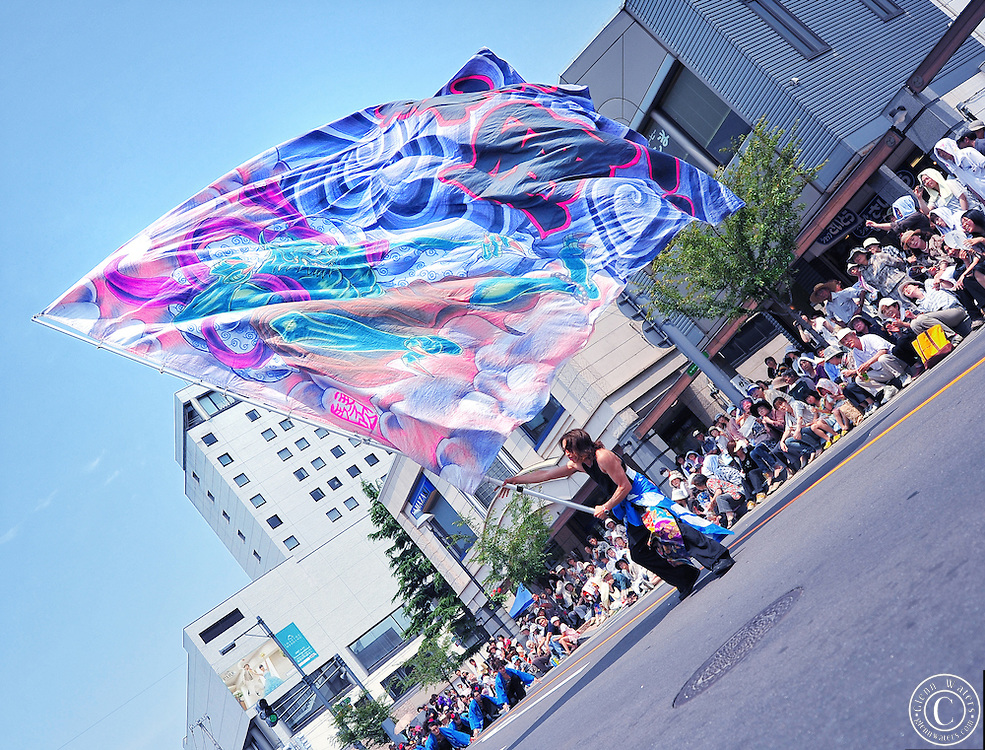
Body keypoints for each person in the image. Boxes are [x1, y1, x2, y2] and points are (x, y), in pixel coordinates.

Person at [500, 428, 735, 600]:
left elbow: (625, 486)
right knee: (639, 552)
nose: (567, 455)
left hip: (641, 496)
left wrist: (605, 507)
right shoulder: (580, 464)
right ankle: (685, 576)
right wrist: (514, 480)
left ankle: (718, 558)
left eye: (568, 450)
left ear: (580, 446)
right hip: (627, 505)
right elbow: (547, 475)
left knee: (672, 530)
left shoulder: (603, 457)